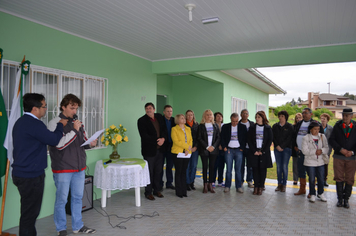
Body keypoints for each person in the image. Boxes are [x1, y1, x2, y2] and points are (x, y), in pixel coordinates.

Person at [12, 93, 66, 236]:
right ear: (35, 109)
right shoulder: (34, 124)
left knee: (28, 213)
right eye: (44, 106)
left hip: (20, 173)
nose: (45, 109)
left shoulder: (20, 122)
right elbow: (53, 140)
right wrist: (60, 125)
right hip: (31, 176)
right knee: (30, 214)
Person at [48, 94, 97, 236]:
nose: (75, 111)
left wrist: (91, 143)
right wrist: (74, 130)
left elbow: (83, 141)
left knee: (77, 197)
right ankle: (61, 229)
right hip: (63, 167)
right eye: (72, 108)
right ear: (63, 107)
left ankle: (78, 226)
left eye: (76, 108)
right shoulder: (54, 123)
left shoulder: (77, 122)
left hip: (79, 167)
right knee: (62, 199)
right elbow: (59, 145)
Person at [137, 102, 167, 201]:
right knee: (149, 172)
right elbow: (144, 136)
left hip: (160, 150)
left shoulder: (159, 117)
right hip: (149, 151)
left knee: (158, 171)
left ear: (154, 109)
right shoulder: (141, 120)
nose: (148, 110)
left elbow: (164, 130)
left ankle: (157, 190)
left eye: (150, 108)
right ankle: (148, 192)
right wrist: (157, 140)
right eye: (146, 109)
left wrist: (163, 139)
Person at [329, 108, 356, 208]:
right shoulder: (337, 125)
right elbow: (332, 139)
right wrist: (340, 149)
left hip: (352, 157)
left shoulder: (355, 126)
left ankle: (346, 199)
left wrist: (352, 152)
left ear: (351, 116)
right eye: (343, 115)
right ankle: (340, 199)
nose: (344, 117)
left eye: (347, 115)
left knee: (349, 179)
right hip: (339, 156)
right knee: (339, 178)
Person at [293, 108, 323, 196]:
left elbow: (320, 137)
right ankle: (302, 189)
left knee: (311, 172)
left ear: (311, 114)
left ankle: (312, 191)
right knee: (301, 171)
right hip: (299, 151)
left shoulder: (316, 124)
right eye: (303, 113)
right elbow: (295, 135)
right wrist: (295, 145)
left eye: (306, 113)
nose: (304, 115)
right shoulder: (299, 123)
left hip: (310, 153)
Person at [302, 121, 329, 203]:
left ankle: (320, 193)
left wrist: (321, 151)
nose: (317, 131)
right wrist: (315, 152)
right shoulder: (306, 138)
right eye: (315, 129)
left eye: (318, 129)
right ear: (310, 129)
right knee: (312, 179)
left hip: (320, 161)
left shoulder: (322, 136)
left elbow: (327, 148)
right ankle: (312, 194)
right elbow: (304, 151)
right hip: (310, 162)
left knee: (321, 178)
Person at [247, 111, 273, 195]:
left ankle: (261, 186)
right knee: (255, 170)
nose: (257, 119)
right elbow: (249, 140)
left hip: (264, 153)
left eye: (259, 117)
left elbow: (269, 140)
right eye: (256, 117)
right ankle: (256, 187)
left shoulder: (268, 128)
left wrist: (263, 151)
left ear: (263, 118)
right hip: (254, 152)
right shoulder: (252, 127)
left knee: (262, 170)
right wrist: (254, 151)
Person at [220, 113, 247, 193]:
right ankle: (227, 186)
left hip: (239, 150)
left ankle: (238, 186)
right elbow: (222, 137)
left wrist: (242, 148)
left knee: (238, 170)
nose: (234, 123)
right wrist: (224, 147)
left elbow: (245, 138)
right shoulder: (225, 127)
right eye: (233, 121)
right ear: (230, 120)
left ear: (238, 120)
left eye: (236, 121)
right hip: (229, 150)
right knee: (228, 169)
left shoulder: (243, 127)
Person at [197, 109, 220, 193]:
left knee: (212, 167)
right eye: (207, 114)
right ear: (204, 116)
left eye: (210, 114)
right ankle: (205, 184)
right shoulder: (201, 126)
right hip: (204, 150)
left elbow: (218, 137)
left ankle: (210, 184)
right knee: (205, 167)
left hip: (214, 150)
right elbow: (199, 138)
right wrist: (207, 147)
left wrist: (213, 146)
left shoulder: (215, 126)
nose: (209, 116)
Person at [171, 114, 192, 198]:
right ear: (177, 120)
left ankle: (184, 190)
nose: (184, 119)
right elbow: (176, 141)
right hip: (177, 152)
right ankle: (178, 191)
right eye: (182, 118)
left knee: (184, 171)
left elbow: (190, 140)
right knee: (178, 171)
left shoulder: (188, 128)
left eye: (184, 118)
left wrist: (188, 149)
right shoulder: (174, 129)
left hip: (186, 153)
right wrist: (187, 147)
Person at [272, 110, 294, 192]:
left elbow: (290, 138)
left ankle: (284, 184)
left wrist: (282, 146)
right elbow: (273, 137)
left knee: (284, 167)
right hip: (277, 149)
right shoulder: (275, 126)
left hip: (286, 149)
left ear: (285, 117)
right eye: (279, 116)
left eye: (282, 116)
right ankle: (279, 184)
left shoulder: (290, 127)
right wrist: (277, 145)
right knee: (278, 167)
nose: (280, 118)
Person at [161, 105, 175, 190]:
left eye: (171, 111)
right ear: (164, 112)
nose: (169, 113)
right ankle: (160, 183)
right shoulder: (160, 120)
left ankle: (169, 183)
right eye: (167, 111)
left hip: (171, 146)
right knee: (160, 166)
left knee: (170, 165)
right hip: (162, 145)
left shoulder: (174, 120)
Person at [239, 109, 254, 188]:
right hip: (241, 148)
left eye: (246, 113)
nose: (245, 115)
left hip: (250, 148)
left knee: (250, 165)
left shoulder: (252, 124)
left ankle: (249, 180)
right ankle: (240, 181)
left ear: (248, 115)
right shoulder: (237, 124)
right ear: (241, 115)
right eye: (243, 113)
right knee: (241, 165)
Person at [185, 110, 199, 191]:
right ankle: (187, 182)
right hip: (186, 149)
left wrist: (195, 147)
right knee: (187, 166)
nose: (190, 116)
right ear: (186, 116)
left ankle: (191, 182)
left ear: (193, 116)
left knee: (193, 166)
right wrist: (188, 147)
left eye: (191, 115)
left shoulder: (197, 125)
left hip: (195, 149)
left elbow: (198, 137)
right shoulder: (183, 125)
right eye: (188, 115)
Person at [320, 113, 333, 187]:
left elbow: (331, 140)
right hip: (319, 149)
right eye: (321, 118)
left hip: (327, 149)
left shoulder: (330, 128)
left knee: (325, 165)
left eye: (324, 119)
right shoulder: (318, 127)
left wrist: (329, 150)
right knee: (318, 165)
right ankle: (319, 180)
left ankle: (324, 180)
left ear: (327, 120)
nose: (322, 120)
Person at [213, 112, 225, 187]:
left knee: (221, 166)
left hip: (222, 149)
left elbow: (225, 137)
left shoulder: (225, 126)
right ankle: (212, 181)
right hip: (214, 149)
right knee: (214, 165)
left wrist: (222, 145)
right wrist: (217, 145)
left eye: (221, 116)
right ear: (214, 117)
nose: (219, 117)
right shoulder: (212, 125)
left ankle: (220, 181)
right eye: (218, 116)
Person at [292, 113, 303, 185]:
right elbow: (292, 138)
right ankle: (295, 179)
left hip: (303, 149)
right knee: (295, 165)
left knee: (303, 165)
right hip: (295, 148)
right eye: (297, 118)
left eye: (299, 117)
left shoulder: (304, 126)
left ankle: (302, 180)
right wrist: (294, 146)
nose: (298, 119)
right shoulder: (293, 126)